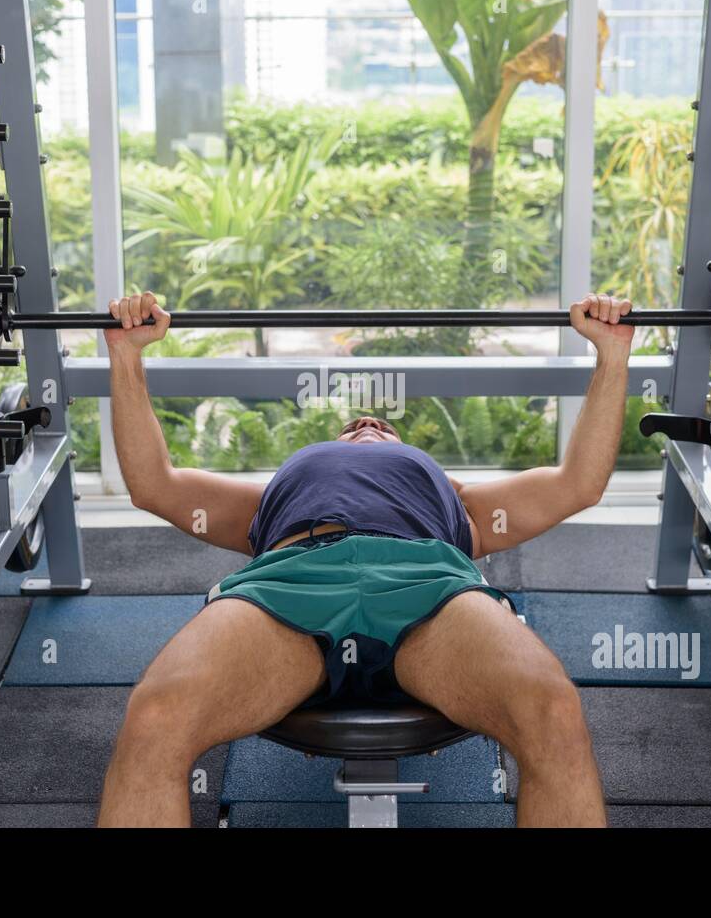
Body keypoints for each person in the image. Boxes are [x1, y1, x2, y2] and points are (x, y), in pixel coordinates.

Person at [96, 291, 634, 827]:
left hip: (429, 587)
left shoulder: (462, 501)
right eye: (353, 427)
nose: (367, 425)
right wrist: (126, 356)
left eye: (382, 428)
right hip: (289, 582)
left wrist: (612, 354)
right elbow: (153, 485)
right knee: (155, 718)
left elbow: (579, 484)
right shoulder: (269, 501)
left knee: (554, 713)